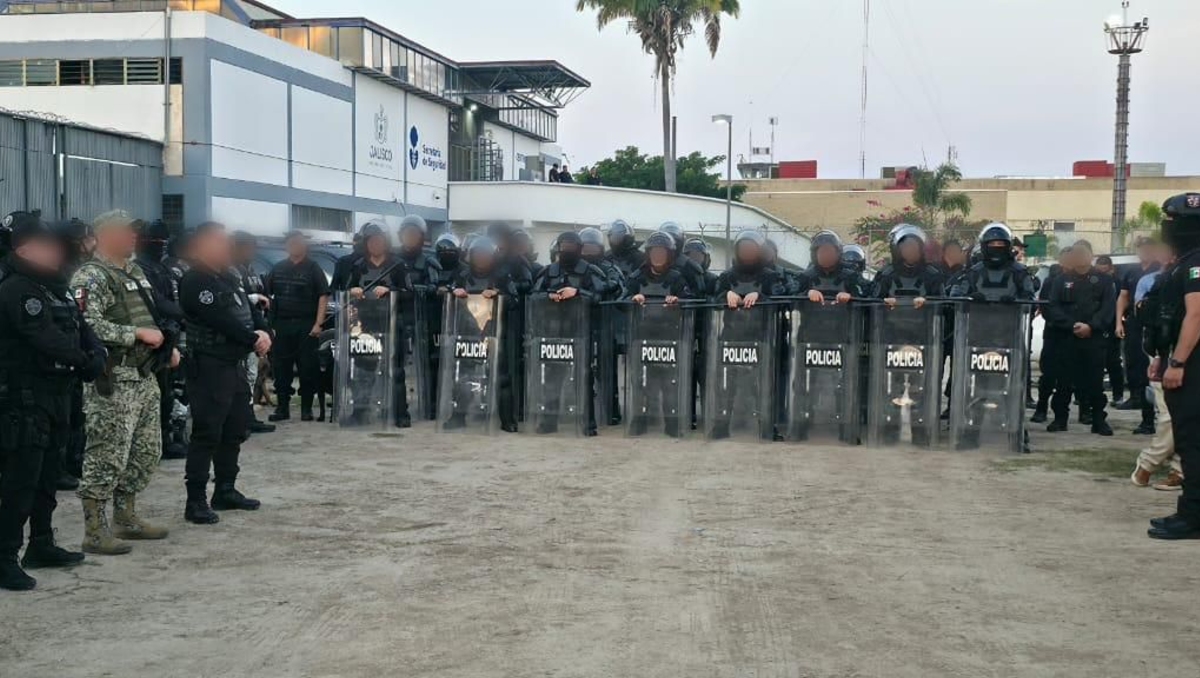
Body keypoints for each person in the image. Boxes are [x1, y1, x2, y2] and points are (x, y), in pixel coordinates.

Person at [0, 212, 101, 590]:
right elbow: (43, 337)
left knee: (48, 478)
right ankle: (5, 556)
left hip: (58, 393)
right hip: (25, 399)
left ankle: (41, 543)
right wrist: (87, 360)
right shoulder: (17, 289)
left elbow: (80, 325)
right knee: (21, 481)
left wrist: (96, 353)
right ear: (26, 250)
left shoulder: (53, 286)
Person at [70, 210, 174, 555]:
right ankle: (95, 530)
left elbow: (152, 313)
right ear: (104, 234)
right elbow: (85, 326)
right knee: (107, 454)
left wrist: (165, 344)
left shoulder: (135, 271)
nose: (132, 237)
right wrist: (135, 334)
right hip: (113, 378)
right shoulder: (91, 276)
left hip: (143, 375)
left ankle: (126, 517)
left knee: (146, 451)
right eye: (126, 231)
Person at [179, 222, 271, 525]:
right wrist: (252, 339)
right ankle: (196, 501)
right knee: (207, 432)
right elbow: (219, 319)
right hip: (208, 366)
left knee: (235, 428)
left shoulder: (230, 276)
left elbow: (248, 310)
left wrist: (263, 330)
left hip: (234, 365)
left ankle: (226, 489)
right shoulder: (195, 280)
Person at [1147, 193, 1200, 539]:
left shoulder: (1197, 263)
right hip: (1177, 360)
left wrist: (1178, 362)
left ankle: (1194, 518)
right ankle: (1189, 509)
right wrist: (1161, 357)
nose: (1167, 227)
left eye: (1171, 221)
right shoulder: (1184, 261)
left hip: (1193, 366)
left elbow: (1196, 314)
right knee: (1186, 439)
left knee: (1194, 441)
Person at [531, 231, 606, 435]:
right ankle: (548, 421)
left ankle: (587, 424)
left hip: (581, 333)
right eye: (564, 247)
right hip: (553, 333)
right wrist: (549, 295)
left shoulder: (590, 272)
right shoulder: (548, 271)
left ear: (579, 249)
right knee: (552, 379)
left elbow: (601, 295)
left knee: (584, 378)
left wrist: (579, 293)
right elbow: (534, 295)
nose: (567, 251)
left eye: (572, 247)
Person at [445, 237, 520, 432]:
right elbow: (444, 290)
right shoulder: (461, 275)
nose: (481, 258)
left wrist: (499, 295)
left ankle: (507, 420)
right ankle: (458, 416)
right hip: (466, 332)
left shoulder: (502, 276)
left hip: (493, 332)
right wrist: (453, 291)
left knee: (501, 377)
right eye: (477, 254)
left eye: (485, 255)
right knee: (463, 375)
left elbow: (515, 300)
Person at [1042, 240, 1115, 436]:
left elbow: (1108, 309)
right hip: (1067, 338)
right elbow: (1052, 306)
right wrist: (1071, 325)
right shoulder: (1061, 280)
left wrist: (1091, 326)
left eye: (1083, 253)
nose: (1079, 257)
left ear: (1091, 256)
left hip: (1094, 338)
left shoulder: (1104, 281)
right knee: (1063, 382)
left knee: (1094, 383)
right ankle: (1060, 419)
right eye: (1075, 254)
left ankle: (1098, 420)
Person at [624, 232, 694, 436]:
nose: (658, 256)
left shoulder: (677, 278)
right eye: (654, 252)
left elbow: (691, 300)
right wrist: (632, 298)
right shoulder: (636, 276)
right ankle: (639, 422)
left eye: (662, 253)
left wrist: (678, 301)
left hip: (669, 337)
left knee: (669, 383)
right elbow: (621, 301)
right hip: (642, 337)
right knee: (641, 381)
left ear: (669, 255)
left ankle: (672, 424)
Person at [346, 222, 412, 427]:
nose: (376, 245)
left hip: (392, 324)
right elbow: (346, 291)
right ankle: (360, 411)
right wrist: (353, 291)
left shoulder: (398, 265)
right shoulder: (358, 266)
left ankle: (401, 414)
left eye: (380, 241)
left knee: (396, 370)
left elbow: (409, 293)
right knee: (363, 370)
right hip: (366, 326)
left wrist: (391, 291)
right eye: (372, 241)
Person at [135, 219, 189, 460]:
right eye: (155, 241)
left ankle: (165, 438)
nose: (160, 245)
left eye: (162, 242)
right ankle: (156, 441)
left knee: (169, 394)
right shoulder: (140, 268)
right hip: (152, 341)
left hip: (170, 335)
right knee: (157, 396)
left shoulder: (162, 268)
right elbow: (155, 303)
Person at [265, 231, 329, 422]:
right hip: (282, 325)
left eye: (298, 243)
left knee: (307, 368)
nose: (295, 246)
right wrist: (271, 325)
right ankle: (282, 408)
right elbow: (269, 297)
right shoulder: (277, 268)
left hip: (306, 325)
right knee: (281, 368)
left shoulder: (313, 268)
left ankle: (306, 409)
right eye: (291, 243)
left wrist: (318, 323)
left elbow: (323, 296)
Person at [1132, 246, 1180, 489]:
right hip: (1167, 354)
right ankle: (1150, 464)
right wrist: (1162, 357)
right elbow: (1150, 321)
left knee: (1185, 418)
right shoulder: (1156, 282)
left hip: (1185, 355)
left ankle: (1175, 469)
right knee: (1170, 416)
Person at [396, 215, 440, 425]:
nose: (410, 238)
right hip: (396, 317)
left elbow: (435, 285)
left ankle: (429, 405)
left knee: (428, 363)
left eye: (414, 235)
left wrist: (420, 289)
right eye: (407, 234)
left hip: (422, 320)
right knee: (397, 364)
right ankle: (397, 405)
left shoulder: (429, 261)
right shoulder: (393, 260)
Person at [230, 232, 275, 433]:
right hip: (241, 332)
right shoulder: (231, 270)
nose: (252, 252)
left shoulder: (250, 269)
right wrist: (254, 297)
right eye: (248, 247)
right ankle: (242, 418)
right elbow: (233, 300)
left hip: (255, 327)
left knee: (251, 375)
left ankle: (248, 416)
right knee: (243, 377)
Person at [1116, 237, 1162, 413]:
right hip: (1134, 321)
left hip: (1153, 323)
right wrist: (1118, 321)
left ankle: (1149, 405)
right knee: (1132, 360)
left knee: (1149, 362)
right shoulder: (1131, 271)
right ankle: (1135, 396)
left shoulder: (1159, 270)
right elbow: (1123, 296)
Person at [1031, 248, 1073, 423]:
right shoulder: (1051, 281)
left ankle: (1062, 415)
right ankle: (1041, 408)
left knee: (1068, 378)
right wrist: (1064, 322)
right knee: (1048, 375)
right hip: (1054, 333)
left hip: (1073, 336)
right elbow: (1046, 306)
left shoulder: (1083, 281)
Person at [872, 224, 944, 306]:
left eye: (913, 247)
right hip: (891, 318)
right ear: (897, 250)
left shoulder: (932, 275)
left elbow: (943, 303)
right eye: (906, 247)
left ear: (921, 249)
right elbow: (873, 303)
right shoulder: (886, 275)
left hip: (925, 318)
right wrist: (884, 302)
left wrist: (927, 301)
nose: (910, 250)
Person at [1094, 255, 1127, 406]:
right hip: (1096, 326)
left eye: (1105, 271)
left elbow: (1122, 303)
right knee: (1094, 363)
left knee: (1113, 362)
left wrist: (1118, 324)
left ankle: (1118, 394)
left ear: (1111, 269)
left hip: (1113, 325)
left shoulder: (1118, 283)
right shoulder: (1093, 282)